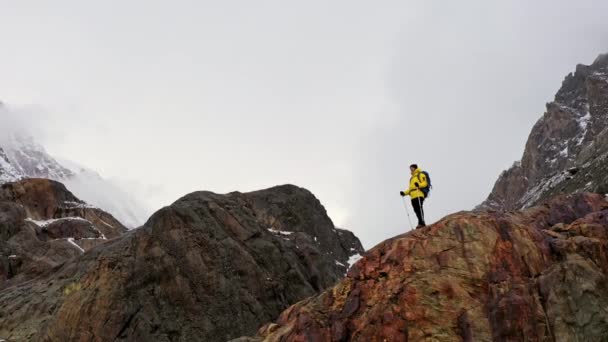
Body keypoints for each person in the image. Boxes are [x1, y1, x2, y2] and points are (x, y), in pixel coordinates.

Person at [400, 164, 427, 228]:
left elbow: (425, 183)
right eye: (410, 168)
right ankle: (420, 222)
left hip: (419, 193)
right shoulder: (411, 178)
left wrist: (418, 185)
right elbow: (410, 189)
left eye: (412, 168)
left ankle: (421, 222)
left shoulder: (420, 174)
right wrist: (404, 193)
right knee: (416, 210)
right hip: (413, 196)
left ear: (415, 168)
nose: (411, 169)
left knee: (419, 208)